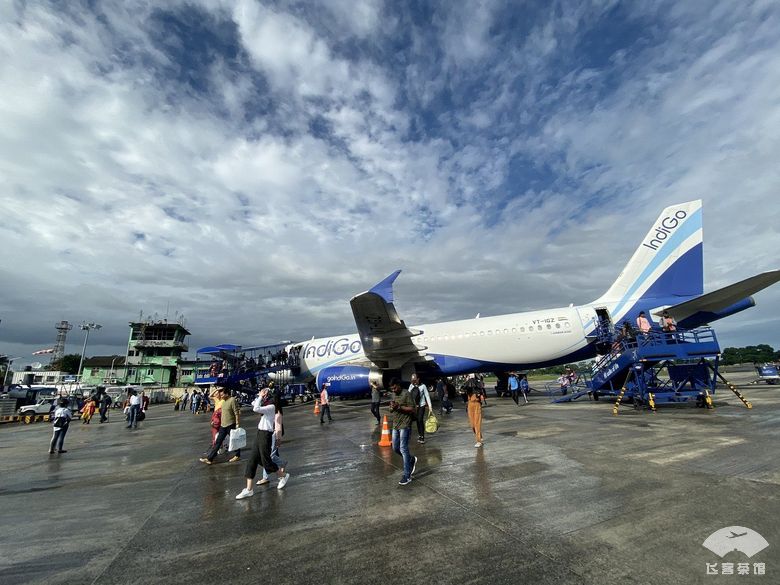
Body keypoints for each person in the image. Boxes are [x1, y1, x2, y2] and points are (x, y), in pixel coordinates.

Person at [235, 388, 290, 499]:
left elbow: (255, 408)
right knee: (252, 460)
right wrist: (260, 395)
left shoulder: (272, 407)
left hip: (266, 435)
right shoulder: (268, 406)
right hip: (259, 433)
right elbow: (253, 403)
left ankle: (283, 476)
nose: (265, 397)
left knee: (266, 460)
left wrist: (261, 397)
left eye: (267, 396)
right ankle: (249, 489)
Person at [200, 388, 241, 464]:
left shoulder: (232, 400)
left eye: (222, 394)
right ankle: (210, 459)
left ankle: (237, 455)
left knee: (234, 440)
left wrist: (237, 423)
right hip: (223, 425)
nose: (221, 396)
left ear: (227, 394)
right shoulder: (224, 402)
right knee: (218, 442)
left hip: (230, 424)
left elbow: (236, 412)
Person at [388, 378, 417, 486]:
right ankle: (411, 459)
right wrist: (392, 407)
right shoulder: (393, 395)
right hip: (395, 424)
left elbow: (413, 409)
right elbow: (392, 408)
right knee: (395, 448)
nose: (394, 390)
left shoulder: (407, 394)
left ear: (399, 385)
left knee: (403, 448)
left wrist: (399, 407)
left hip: (405, 424)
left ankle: (407, 475)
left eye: (395, 388)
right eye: (392, 389)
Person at [258, 394, 287, 485]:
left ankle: (282, 464)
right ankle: (266, 476)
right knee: (269, 455)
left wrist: (278, 439)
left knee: (269, 456)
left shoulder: (277, 412)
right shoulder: (272, 410)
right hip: (269, 434)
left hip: (274, 435)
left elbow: (278, 428)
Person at [409, 374, 432, 444]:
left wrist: (430, 407)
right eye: (413, 380)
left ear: (418, 379)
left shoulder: (423, 386)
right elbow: (408, 394)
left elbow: (427, 396)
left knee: (420, 420)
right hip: (415, 407)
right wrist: (412, 385)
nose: (414, 381)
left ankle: (422, 436)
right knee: (417, 421)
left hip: (422, 405)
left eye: (415, 380)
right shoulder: (411, 386)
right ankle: (419, 435)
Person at [467, 382, 484, 447]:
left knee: (477, 423)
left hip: (477, 404)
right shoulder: (468, 389)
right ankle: (480, 435)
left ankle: (478, 441)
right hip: (470, 405)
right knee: (472, 425)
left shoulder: (478, 390)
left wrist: (479, 395)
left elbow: (482, 399)